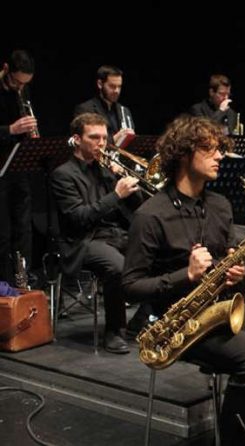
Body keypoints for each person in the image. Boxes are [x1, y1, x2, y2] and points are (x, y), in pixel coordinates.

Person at [121, 116, 245, 446]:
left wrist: (233, 273)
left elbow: (227, 262)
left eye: (219, 150)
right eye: (210, 149)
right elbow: (131, 285)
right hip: (179, 322)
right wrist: (184, 275)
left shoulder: (219, 205)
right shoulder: (150, 214)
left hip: (221, 308)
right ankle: (237, 440)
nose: (219, 157)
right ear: (184, 154)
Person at [50, 113, 144, 354]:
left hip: (114, 234)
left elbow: (139, 207)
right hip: (83, 240)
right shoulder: (63, 175)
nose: (101, 143)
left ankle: (144, 317)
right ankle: (114, 331)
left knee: (162, 249)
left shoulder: (106, 170)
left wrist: (124, 179)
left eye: (104, 137)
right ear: (77, 139)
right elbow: (79, 218)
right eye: (94, 137)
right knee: (118, 267)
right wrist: (116, 195)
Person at [0, 49, 37, 285]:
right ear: (5, 69)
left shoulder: (21, 89)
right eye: (16, 82)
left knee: (23, 228)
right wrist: (11, 130)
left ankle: (22, 280)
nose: (19, 88)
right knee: (2, 233)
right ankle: (3, 284)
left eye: (24, 84)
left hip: (17, 164)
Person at [74, 65, 135, 145]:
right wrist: (115, 138)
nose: (117, 91)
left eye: (119, 87)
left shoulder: (125, 110)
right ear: (100, 84)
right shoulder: (85, 109)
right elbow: (83, 142)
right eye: (112, 86)